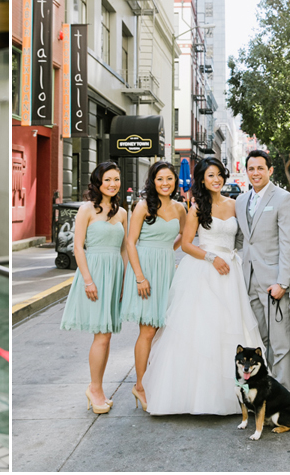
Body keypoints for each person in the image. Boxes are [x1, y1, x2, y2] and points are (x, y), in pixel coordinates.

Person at [143, 156, 262, 415]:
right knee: (200, 331)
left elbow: (244, 238)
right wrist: (212, 257)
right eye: (210, 175)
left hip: (230, 271)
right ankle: (195, 397)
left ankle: (238, 394)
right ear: (202, 180)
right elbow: (186, 244)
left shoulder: (236, 204)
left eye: (219, 174)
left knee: (232, 329)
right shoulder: (196, 207)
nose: (216, 179)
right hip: (204, 269)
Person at [59, 161, 127, 413]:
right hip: (95, 274)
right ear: (98, 182)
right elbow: (78, 247)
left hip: (114, 275)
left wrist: (123, 280)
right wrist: (88, 280)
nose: (112, 184)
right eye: (107, 179)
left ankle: (97, 387)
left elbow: (123, 249)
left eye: (116, 179)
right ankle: (94, 388)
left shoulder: (121, 212)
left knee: (106, 335)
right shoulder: (86, 209)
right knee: (101, 334)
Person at [122, 160, 187, 410]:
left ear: (175, 182)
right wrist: (139, 276)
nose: (165, 183)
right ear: (153, 181)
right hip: (145, 271)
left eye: (169, 179)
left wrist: (167, 252)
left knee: (162, 329)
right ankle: (140, 385)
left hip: (166, 269)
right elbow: (130, 242)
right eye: (160, 179)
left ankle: (154, 379)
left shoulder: (180, 208)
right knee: (147, 330)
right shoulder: (143, 205)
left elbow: (185, 235)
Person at [234, 149, 290, 389]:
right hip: (248, 282)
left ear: (270, 170)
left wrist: (283, 282)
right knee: (260, 342)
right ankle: (263, 391)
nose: (256, 173)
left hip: (273, 283)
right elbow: (241, 240)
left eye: (261, 168)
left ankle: (281, 397)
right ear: (246, 171)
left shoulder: (283, 198)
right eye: (251, 168)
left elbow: (287, 243)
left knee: (280, 344)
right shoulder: (241, 200)